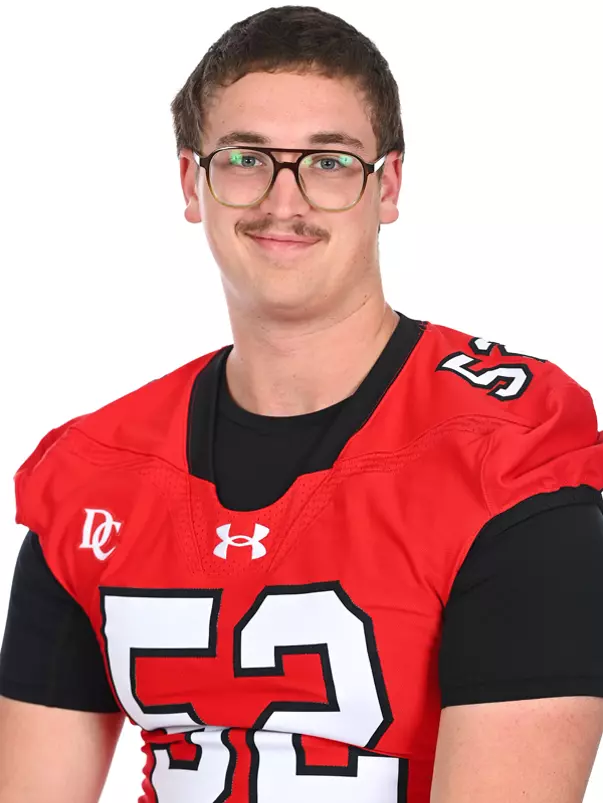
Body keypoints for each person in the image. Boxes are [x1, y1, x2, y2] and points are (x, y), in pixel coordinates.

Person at [1, 5, 603, 802]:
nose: (284, 200)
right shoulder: (92, 470)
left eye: (329, 161)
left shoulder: (505, 448)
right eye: (246, 156)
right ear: (193, 182)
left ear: (385, 186)